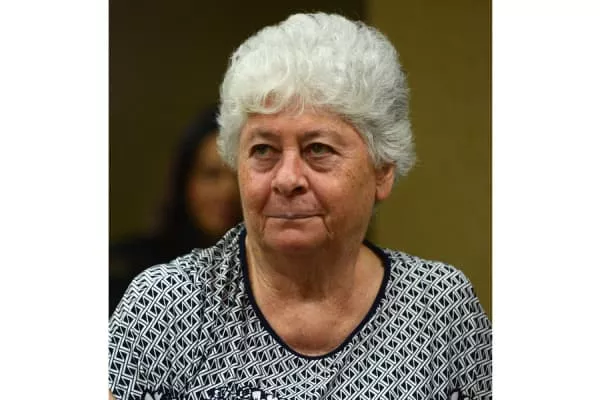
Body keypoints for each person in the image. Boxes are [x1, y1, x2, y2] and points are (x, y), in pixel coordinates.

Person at [109, 13, 492, 400]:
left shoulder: (438, 307)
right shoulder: (167, 305)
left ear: (382, 170)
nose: (287, 178)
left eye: (318, 149)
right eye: (263, 150)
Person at [109, 105, 242, 315]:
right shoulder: (129, 270)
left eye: (239, 177)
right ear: (185, 181)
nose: (227, 192)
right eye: (211, 175)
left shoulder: (266, 280)